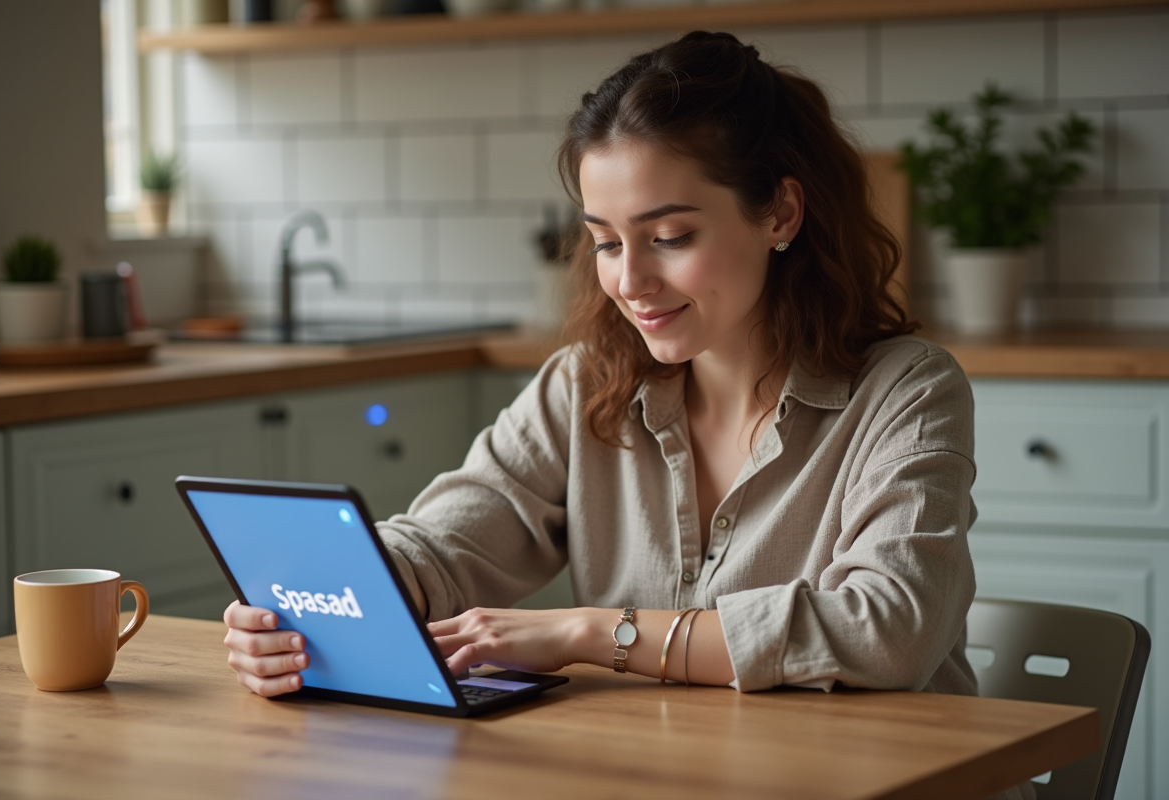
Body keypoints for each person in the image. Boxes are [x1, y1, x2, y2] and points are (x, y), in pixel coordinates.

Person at [224, 29, 981, 719]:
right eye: (606, 243)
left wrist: (591, 633)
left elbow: (890, 629)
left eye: (671, 236)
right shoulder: (584, 384)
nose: (631, 280)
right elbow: (446, 545)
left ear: (781, 213)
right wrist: (308, 603)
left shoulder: (908, 392)